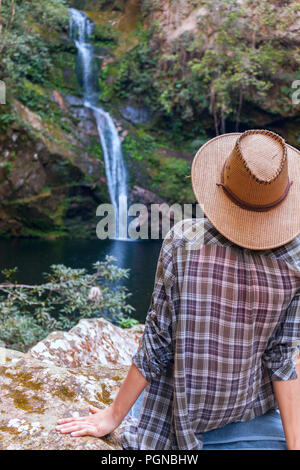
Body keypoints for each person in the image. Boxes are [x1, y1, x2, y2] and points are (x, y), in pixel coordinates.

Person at [56, 129, 300, 450]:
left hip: (183, 419)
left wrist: (113, 416)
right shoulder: (294, 259)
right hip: (248, 407)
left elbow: (158, 342)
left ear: (221, 185)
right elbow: (281, 356)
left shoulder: (183, 241)